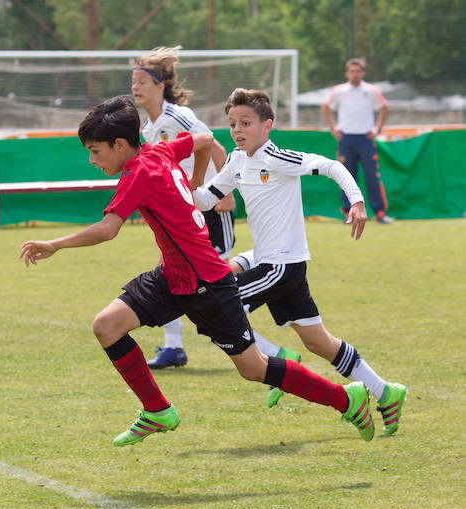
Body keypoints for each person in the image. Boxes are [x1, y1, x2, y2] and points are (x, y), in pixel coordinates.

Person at [20, 95, 377, 448]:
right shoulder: (159, 151)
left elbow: (108, 229)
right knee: (107, 326)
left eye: (95, 151)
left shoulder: (138, 172)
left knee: (253, 368)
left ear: (119, 144)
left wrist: (55, 244)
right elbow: (204, 139)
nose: (91, 160)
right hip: (172, 276)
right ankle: (157, 410)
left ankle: (347, 400)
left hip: (206, 283)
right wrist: (195, 182)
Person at [194, 89, 406, 435]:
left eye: (245, 123)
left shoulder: (277, 158)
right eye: (232, 124)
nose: (237, 130)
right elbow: (206, 198)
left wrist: (356, 201)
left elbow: (331, 165)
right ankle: (385, 391)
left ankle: (280, 360)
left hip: (281, 266)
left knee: (220, 307)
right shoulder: (236, 160)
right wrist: (169, 193)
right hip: (275, 264)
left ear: (267, 125)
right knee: (318, 342)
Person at [132, 46, 248, 369]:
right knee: (170, 272)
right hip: (184, 214)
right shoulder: (148, 128)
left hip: (209, 209)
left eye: (142, 80)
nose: (135, 87)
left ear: (160, 86)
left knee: (218, 286)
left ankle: (271, 350)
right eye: (133, 81)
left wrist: (224, 192)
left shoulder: (178, 117)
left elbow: (214, 143)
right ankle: (173, 347)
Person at [321, 58, 393, 224]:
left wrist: (377, 129)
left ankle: (380, 213)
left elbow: (384, 107)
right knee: (346, 176)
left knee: (372, 176)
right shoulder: (339, 91)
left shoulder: (371, 90)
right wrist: (333, 129)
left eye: (358, 71)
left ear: (363, 73)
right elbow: (326, 107)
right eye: (352, 71)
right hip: (346, 138)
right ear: (347, 73)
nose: (355, 74)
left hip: (366, 138)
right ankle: (348, 213)